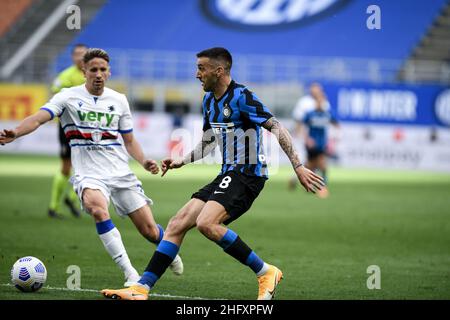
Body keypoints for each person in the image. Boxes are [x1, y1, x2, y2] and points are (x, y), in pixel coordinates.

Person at [101, 47, 324, 300]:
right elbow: (209, 141)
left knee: (207, 223)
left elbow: (277, 126)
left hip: (247, 175)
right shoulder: (209, 101)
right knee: (177, 224)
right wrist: (182, 161)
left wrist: (298, 165)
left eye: (201, 68)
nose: (197, 74)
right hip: (227, 174)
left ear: (219, 71)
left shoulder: (242, 96)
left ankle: (265, 272)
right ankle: (141, 289)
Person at [0, 48, 183, 286]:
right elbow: (38, 118)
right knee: (98, 210)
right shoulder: (67, 97)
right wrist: (16, 132)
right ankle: (130, 273)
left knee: (149, 230)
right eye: (93, 69)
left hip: (120, 173)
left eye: (103, 70)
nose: (98, 74)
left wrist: (144, 161)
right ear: (84, 71)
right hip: (89, 174)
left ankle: (168, 250)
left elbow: (129, 140)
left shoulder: (118, 100)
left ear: (109, 73)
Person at [48, 44, 88, 218]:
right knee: (66, 167)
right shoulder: (65, 76)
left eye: (83, 54)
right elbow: (55, 99)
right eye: (77, 54)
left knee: (89, 166)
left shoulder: (93, 74)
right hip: (68, 129)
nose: (80, 57)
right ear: (72, 57)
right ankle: (53, 207)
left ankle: (72, 198)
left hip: (87, 128)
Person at [299, 91, 339, 198]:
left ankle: (318, 186)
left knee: (318, 165)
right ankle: (319, 187)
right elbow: (303, 127)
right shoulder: (310, 114)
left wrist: (334, 140)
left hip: (322, 145)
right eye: (318, 101)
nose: (320, 103)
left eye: (322, 101)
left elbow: (337, 125)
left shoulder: (327, 114)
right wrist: (307, 139)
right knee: (314, 166)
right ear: (315, 102)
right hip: (312, 145)